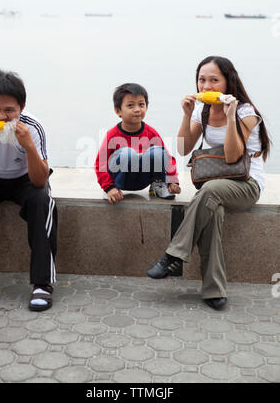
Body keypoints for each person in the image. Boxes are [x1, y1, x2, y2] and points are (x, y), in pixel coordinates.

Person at [147, 56, 271, 310]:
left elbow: (232, 156)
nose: (206, 86)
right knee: (212, 211)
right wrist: (185, 115)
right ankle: (214, 290)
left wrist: (231, 114)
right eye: (202, 80)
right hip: (216, 187)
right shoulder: (201, 109)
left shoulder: (246, 112)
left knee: (210, 192)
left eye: (214, 80)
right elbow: (182, 149)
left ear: (228, 82)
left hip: (246, 184)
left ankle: (175, 254)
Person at [0, 70, 57, 312]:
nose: (1, 117)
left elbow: (38, 179)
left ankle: (42, 284)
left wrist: (29, 147)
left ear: (21, 107)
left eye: (9, 110)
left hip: (26, 180)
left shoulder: (32, 127)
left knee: (42, 201)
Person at [95, 83, 181, 204]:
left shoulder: (151, 132)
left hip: (142, 179)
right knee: (128, 153)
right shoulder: (112, 135)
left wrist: (172, 181)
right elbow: (101, 164)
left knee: (157, 152)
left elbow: (167, 158)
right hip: (120, 180)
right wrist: (108, 187)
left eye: (141, 104)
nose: (137, 109)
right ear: (118, 111)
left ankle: (157, 184)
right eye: (130, 105)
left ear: (146, 107)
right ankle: (114, 190)